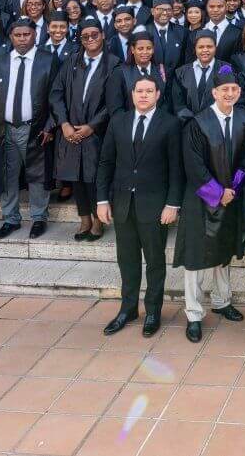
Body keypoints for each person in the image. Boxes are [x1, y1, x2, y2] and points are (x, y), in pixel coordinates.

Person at [98, 76, 184, 338]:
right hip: (123, 204)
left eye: (149, 91)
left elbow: (176, 169)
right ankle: (128, 309)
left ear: (158, 94)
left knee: (155, 262)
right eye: (139, 91)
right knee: (127, 260)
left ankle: (154, 311)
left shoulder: (169, 124)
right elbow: (106, 163)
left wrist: (172, 204)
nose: (144, 95)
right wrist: (102, 200)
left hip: (155, 206)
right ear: (132, 94)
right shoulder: (119, 121)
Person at [174, 63, 245, 343]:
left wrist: (233, 188)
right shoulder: (198, 123)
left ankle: (222, 301)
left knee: (223, 254)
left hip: (230, 197)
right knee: (196, 259)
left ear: (239, 91)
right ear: (214, 92)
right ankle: (194, 314)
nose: (229, 93)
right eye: (224, 90)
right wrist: (217, 192)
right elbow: (193, 164)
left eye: (233, 89)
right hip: (201, 200)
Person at [49, 16, 124, 242]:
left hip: (97, 133)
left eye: (94, 34)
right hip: (70, 131)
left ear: (102, 35)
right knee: (77, 178)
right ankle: (84, 220)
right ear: (80, 39)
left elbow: (114, 101)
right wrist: (64, 124)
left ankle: (98, 221)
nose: (90, 39)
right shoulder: (72, 60)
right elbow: (56, 94)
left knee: (95, 178)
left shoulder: (113, 63)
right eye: (85, 36)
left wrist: (92, 126)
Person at [0, 19, 56, 240]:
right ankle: (10, 219)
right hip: (5, 129)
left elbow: (56, 97)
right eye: (17, 35)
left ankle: (39, 218)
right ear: (10, 36)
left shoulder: (47, 60)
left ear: (35, 35)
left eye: (26, 34)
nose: (21, 39)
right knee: (8, 175)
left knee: (37, 175)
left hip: (35, 128)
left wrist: (49, 126)